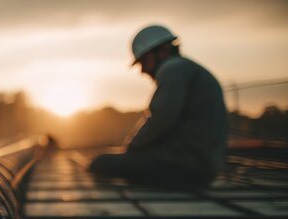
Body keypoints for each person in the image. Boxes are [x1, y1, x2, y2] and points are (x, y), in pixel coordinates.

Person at [89, 24, 228, 186]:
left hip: (186, 166)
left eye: (143, 61)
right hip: (201, 165)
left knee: (100, 163)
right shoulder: (187, 69)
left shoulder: (173, 70)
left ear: (162, 51)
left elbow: (162, 118)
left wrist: (132, 149)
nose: (142, 70)